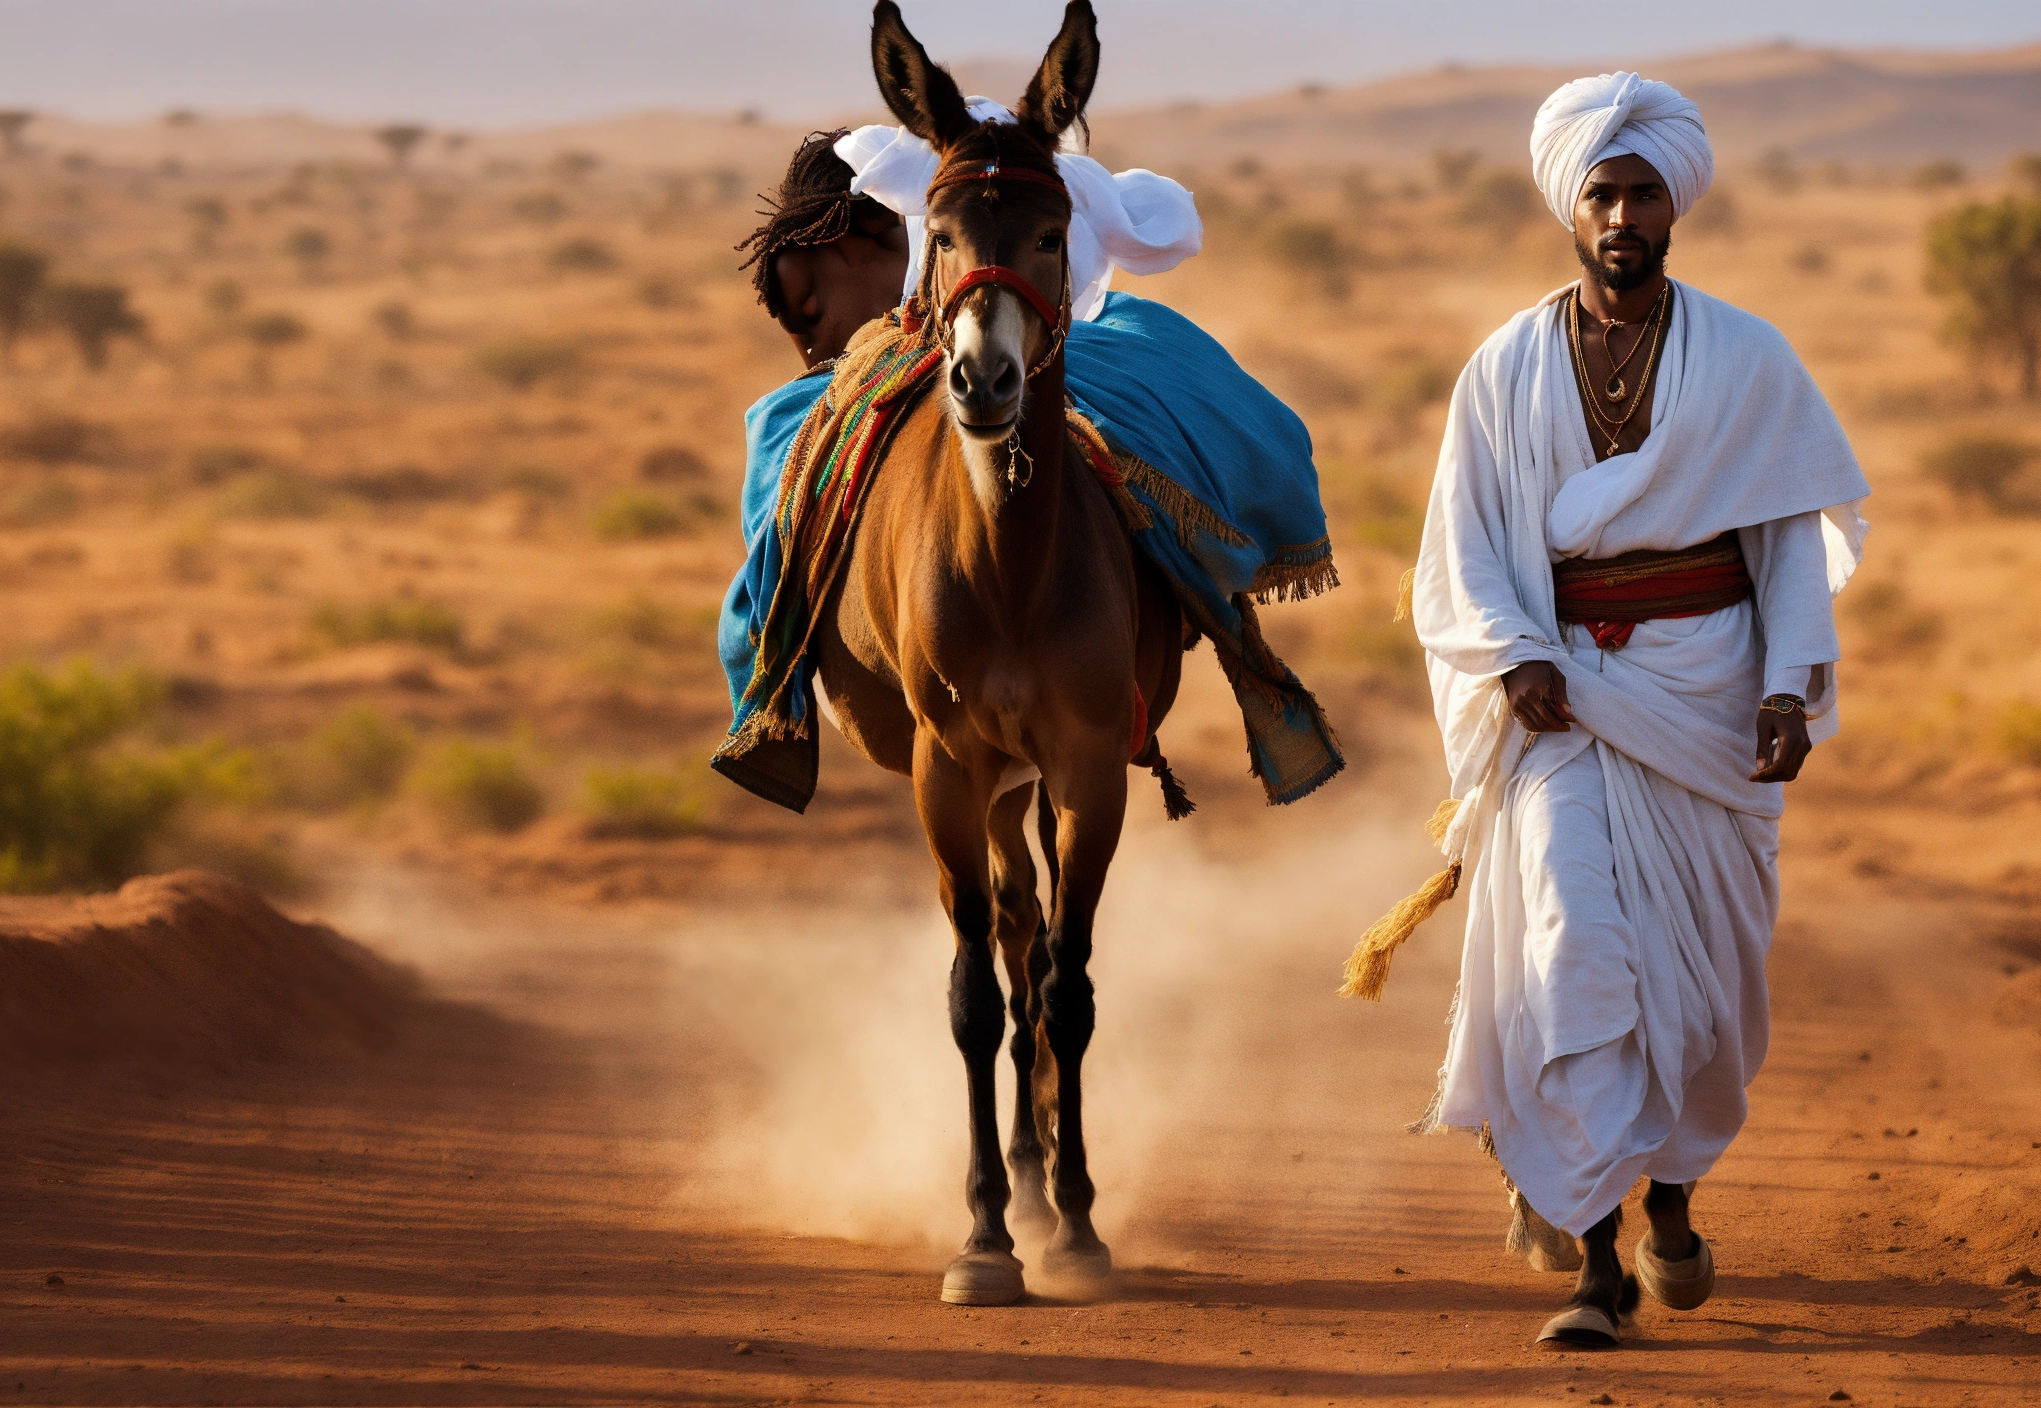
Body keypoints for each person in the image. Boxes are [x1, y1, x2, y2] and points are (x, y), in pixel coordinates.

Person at [1377, 72, 1870, 1347]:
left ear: (1672, 205)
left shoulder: (1749, 359)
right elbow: (1465, 545)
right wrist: (1514, 651)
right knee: (1571, 952)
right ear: (1567, 205)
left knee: (1700, 990)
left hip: (1706, 697)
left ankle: (1671, 1206)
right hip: (1559, 709)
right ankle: (1595, 1265)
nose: (1618, 212)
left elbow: (1786, 543)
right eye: (1598, 190)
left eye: (1640, 190)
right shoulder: (1500, 369)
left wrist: (1783, 686)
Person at [715, 116, 1344, 811]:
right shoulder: (917, 203)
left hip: (978, 337)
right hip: (964, 342)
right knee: (1166, 387)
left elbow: (825, 349)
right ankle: (1211, 602)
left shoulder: (842, 240)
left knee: (783, 469)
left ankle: (774, 675)